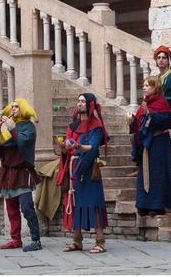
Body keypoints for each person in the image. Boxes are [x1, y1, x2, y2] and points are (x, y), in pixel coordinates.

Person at [61, 93, 109, 254]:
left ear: (90, 104)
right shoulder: (73, 126)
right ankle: (77, 241)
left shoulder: (96, 126)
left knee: (94, 204)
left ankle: (100, 242)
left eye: (83, 101)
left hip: (90, 169)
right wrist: (64, 147)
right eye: (78, 101)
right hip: (74, 167)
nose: (80, 104)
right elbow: (68, 148)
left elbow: (94, 147)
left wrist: (78, 145)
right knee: (75, 204)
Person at [0, 98, 42, 252]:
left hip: (22, 171)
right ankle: (16, 239)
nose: (13, 109)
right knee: (11, 209)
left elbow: (22, 143)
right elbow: (0, 151)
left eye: (17, 107)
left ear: (23, 109)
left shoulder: (29, 127)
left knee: (27, 207)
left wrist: (13, 128)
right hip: (8, 171)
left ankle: (36, 240)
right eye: (12, 106)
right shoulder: (9, 126)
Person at [129, 76, 171, 217]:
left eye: (147, 85)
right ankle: (143, 205)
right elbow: (140, 120)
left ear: (155, 87)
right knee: (145, 173)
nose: (144, 88)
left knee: (157, 174)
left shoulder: (161, 102)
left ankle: (157, 206)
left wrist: (149, 114)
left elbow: (164, 121)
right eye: (143, 85)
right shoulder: (145, 102)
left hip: (159, 143)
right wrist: (133, 120)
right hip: (146, 143)